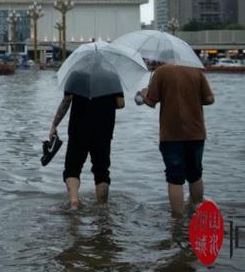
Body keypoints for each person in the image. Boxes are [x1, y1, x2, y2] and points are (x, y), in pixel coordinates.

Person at [138, 63, 214, 217]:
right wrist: (192, 99)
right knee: (195, 173)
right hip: (196, 132)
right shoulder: (196, 72)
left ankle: (178, 220)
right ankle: (198, 212)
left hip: (171, 134)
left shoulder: (162, 71)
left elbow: (151, 102)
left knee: (175, 177)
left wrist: (143, 94)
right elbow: (210, 99)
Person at [50, 71, 125, 209]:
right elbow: (120, 103)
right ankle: (102, 207)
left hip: (78, 130)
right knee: (101, 171)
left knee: (72, 168)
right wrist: (104, 104)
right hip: (103, 131)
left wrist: (54, 125)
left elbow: (66, 102)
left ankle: (74, 201)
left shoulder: (75, 75)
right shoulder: (112, 76)